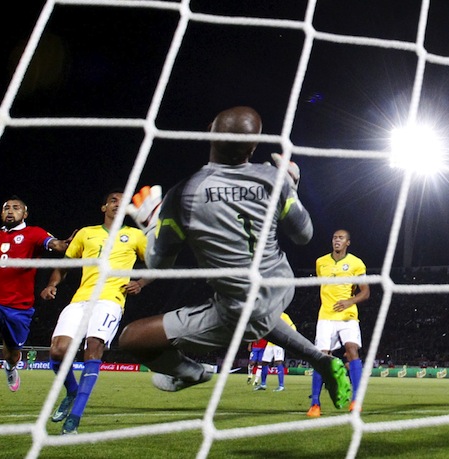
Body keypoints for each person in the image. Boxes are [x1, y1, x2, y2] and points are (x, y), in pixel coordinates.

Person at [117, 106, 351, 414]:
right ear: (253, 147)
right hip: (281, 285)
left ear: (210, 130)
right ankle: (322, 361)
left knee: (131, 339)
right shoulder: (271, 178)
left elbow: (158, 263)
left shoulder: (184, 193)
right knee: (261, 316)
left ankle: (190, 373)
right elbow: (304, 234)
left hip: (239, 308)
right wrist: (290, 187)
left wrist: (150, 223)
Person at [39, 189, 150, 434]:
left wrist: (140, 283)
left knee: (93, 347)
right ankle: (72, 392)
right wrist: (51, 284)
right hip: (81, 299)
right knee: (58, 352)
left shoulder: (135, 236)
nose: (117, 205)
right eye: (113, 200)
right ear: (104, 208)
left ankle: (74, 419)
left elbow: (158, 263)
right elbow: (64, 266)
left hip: (110, 300)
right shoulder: (86, 233)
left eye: (123, 202)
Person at [0, 196, 72, 421]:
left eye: (16, 208)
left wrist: (63, 244)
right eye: (6, 207)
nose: (10, 211)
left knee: (12, 354)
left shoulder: (34, 233)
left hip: (19, 307)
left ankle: (10, 367)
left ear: (25, 214)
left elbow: (53, 244)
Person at [307, 229, 370, 417]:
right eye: (334, 237)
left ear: (347, 243)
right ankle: (315, 404)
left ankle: (356, 401)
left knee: (352, 350)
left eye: (341, 238)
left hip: (348, 316)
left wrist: (349, 301)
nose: (337, 240)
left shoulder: (356, 263)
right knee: (321, 357)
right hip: (325, 316)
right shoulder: (321, 262)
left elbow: (365, 292)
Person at [254, 313, 295, 392]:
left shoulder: (283, 316)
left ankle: (281, 385)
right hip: (270, 343)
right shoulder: (269, 315)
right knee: (264, 362)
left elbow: (292, 327)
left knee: (278, 362)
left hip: (278, 343)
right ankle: (263, 384)